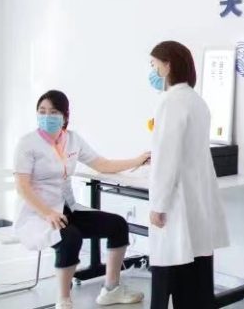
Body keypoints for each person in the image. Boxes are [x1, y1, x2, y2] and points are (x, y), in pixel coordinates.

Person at [14, 89, 149, 309]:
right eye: (42, 111)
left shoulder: (72, 140)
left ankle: (111, 290)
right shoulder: (27, 143)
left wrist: (137, 160)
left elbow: (102, 164)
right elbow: (22, 186)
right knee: (70, 237)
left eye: (53, 112)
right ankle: (63, 300)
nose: (47, 116)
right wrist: (47, 213)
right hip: (39, 212)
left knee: (118, 225)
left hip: (67, 208)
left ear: (65, 116)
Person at [147, 40, 229, 309]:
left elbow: (166, 157)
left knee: (169, 272)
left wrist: (158, 205)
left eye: (154, 65)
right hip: (196, 198)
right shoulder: (197, 101)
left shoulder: (170, 102)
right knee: (195, 275)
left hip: (176, 201)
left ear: (168, 65)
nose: (153, 71)